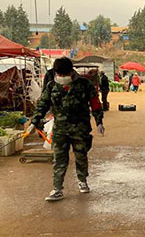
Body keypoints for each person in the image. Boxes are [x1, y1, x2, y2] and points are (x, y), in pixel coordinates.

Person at [28, 57, 105, 202]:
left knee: (81, 156)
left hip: (80, 128)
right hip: (60, 129)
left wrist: (99, 121)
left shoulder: (84, 84)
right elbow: (42, 104)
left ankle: (82, 181)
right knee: (59, 159)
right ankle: (57, 189)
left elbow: (95, 103)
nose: (62, 77)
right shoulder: (52, 86)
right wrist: (34, 122)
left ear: (71, 71)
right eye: (59, 74)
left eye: (64, 74)